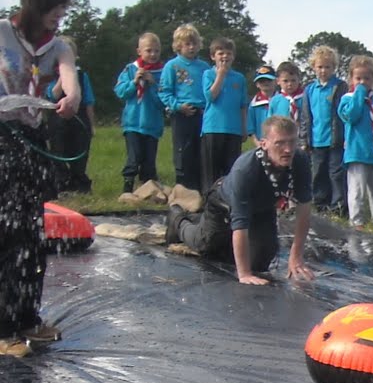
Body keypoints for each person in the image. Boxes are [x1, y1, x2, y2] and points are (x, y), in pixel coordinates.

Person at [0, 0, 79, 355]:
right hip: (2, 139)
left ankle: (28, 316)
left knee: (32, 232)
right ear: (36, 5)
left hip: (31, 140)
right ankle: (3, 329)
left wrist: (70, 97)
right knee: (6, 232)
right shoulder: (1, 33)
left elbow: (69, 76)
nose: (59, 17)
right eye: (55, 9)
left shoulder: (57, 45)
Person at [168, 115, 314, 286]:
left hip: (262, 207)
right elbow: (240, 224)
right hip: (224, 205)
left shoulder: (300, 160)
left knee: (262, 258)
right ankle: (177, 219)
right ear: (264, 144)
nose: (288, 149)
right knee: (205, 245)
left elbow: (304, 209)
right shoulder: (246, 169)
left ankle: (210, 229)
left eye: (292, 142)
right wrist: (244, 274)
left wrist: (296, 257)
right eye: (280, 143)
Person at [337, 54, 373, 229]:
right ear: (351, 79)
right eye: (358, 78)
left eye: (367, 78)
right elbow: (351, 116)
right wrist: (359, 94)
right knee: (357, 191)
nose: (363, 82)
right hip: (357, 153)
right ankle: (357, 221)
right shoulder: (347, 100)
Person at [158, 23, 208, 190]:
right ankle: (183, 188)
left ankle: (202, 189)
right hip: (182, 113)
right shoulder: (172, 66)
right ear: (179, 46)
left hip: (203, 113)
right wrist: (178, 106)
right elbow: (164, 91)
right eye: (187, 44)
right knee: (183, 152)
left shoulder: (205, 68)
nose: (191, 47)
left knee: (201, 152)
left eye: (194, 43)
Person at [114, 32, 165, 194]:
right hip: (133, 123)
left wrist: (152, 84)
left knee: (149, 161)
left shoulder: (162, 72)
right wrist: (134, 82)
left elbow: (162, 101)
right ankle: (127, 188)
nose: (153, 54)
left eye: (156, 51)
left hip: (152, 124)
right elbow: (120, 92)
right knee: (133, 158)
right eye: (149, 50)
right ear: (139, 51)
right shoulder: (130, 69)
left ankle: (148, 190)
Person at [45, 38, 94, 193]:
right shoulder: (49, 76)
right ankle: (61, 183)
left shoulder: (82, 75)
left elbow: (88, 101)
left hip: (79, 120)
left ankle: (79, 184)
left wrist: (91, 125)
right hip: (57, 122)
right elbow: (53, 95)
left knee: (79, 152)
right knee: (58, 152)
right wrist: (62, 77)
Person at [304, 45, 347, 216]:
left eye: (327, 67)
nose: (323, 70)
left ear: (334, 68)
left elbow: (343, 113)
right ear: (313, 67)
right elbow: (306, 117)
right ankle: (320, 204)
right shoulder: (310, 89)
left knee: (336, 173)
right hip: (316, 139)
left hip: (336, 139)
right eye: (320, 66)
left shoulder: (339, 86)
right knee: (318, 173)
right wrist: (304, 140)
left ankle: (338, 206)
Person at [199, 37, 247, 190]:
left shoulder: (239, 78)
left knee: (231, 170)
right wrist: (221, 75)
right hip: (213, 128)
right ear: (213, 56)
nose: (225, 56)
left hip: (233, 129)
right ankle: (210, 200)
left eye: (228, 53)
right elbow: (210, 96)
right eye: (221, 53)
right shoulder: (208, 74)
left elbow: (243, 105)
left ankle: (228, 201)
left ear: (233, 56)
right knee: (211, 170)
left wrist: (244, 128)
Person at [267, 62, 310, 150]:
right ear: (278, 81)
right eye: (285, 81)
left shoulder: (306, 97)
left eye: (293, 80)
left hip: (303, 140)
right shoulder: (275, 100)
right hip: (281, 139)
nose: (289, 84)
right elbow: (270, 121)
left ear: (299, 80)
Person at [246, 65, 277, 144]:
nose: (266, 83)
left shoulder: (282, 100)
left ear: (276, 81)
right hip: (261, 142)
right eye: (262, 81)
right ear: (257, 84)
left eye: (269, 80)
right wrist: (256, 142)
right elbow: (250, 127)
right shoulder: (254, 104)